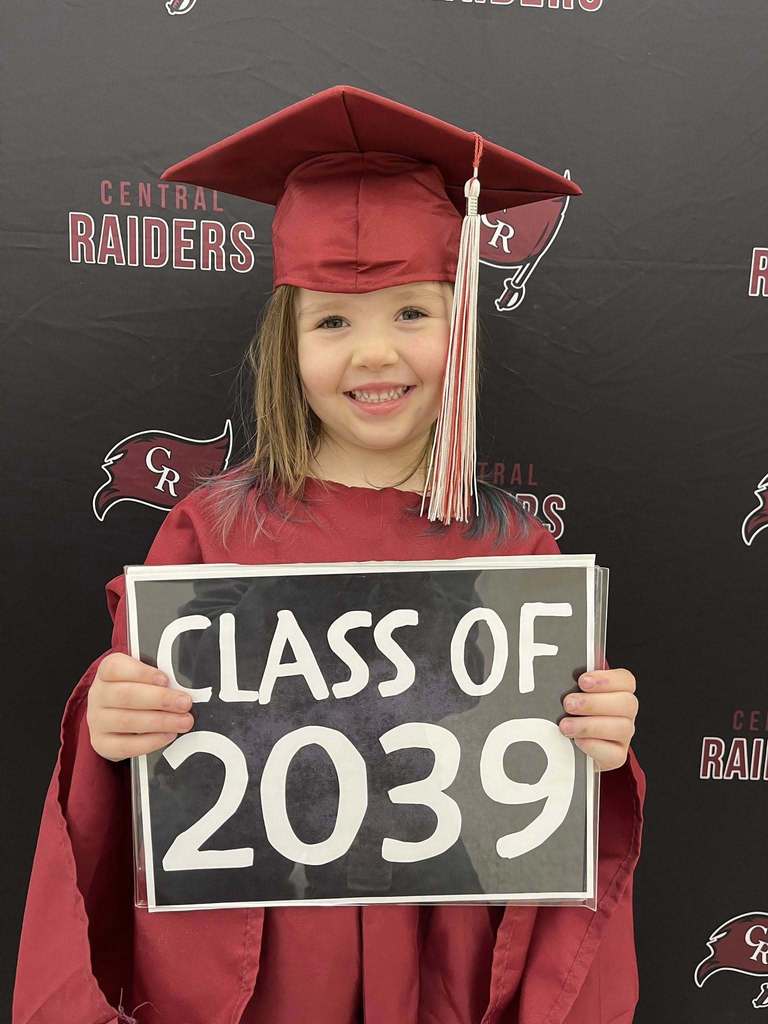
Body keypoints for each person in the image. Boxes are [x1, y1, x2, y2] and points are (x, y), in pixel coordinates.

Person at [13, 85, 644, 1024]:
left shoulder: (516, 547)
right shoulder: (209, 534)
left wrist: (598, 748)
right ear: (288, 342)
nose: (374, 356)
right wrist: (111, 732)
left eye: (413, 315)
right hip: (271, 966)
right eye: (334, 322)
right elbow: (141, 786)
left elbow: (545, 815)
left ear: (462, 322)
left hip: (444, 939)